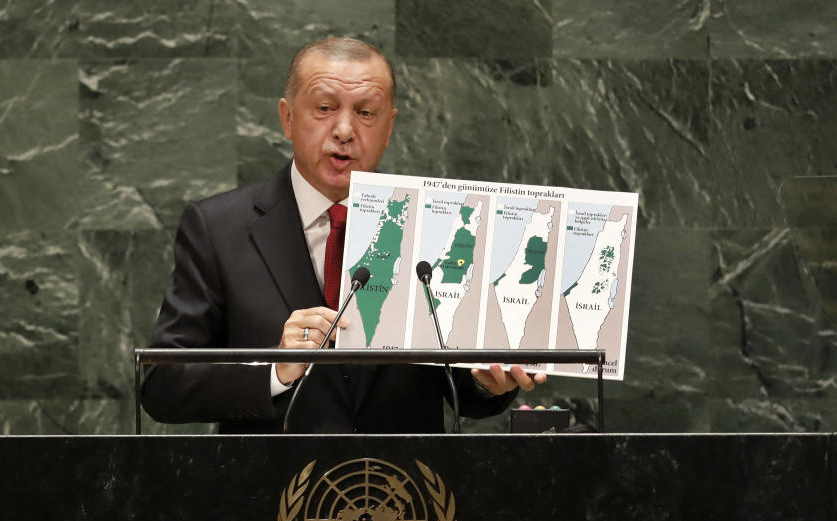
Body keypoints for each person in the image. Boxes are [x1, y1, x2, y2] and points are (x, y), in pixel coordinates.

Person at [141, 37, 546, 434]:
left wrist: (484, 383)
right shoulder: (217, 228)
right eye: (324, 108)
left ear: (389, 128)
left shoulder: (438, 224)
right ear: (287, 117)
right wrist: (274, 371)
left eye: (367, 113)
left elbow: (461, 389)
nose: (345, 130)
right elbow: (163, 384)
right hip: (268, 488)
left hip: (407, 490)